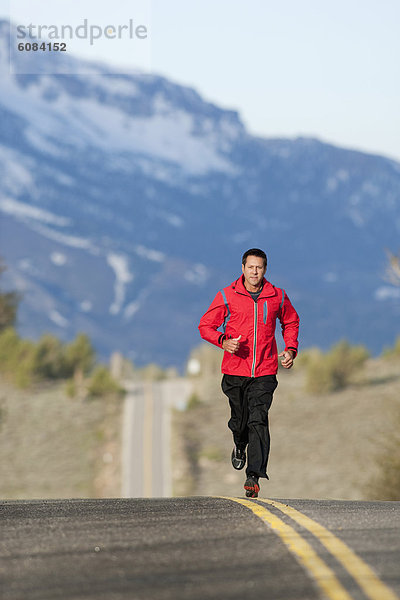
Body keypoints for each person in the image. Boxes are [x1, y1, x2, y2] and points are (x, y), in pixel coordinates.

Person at [198, 248, 300, 498]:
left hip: (264, 372)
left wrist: (290, 349)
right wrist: (223, 340)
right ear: (242, 268)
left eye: (260, 267)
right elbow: (205, 326)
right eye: (251, 267)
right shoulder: (227, 296)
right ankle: (239, 444)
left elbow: (291, 321)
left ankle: (253, 476)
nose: (255, 271)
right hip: (235, 370)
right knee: (239, 422)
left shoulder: (277, 296)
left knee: (258, 419)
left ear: (265, 269)